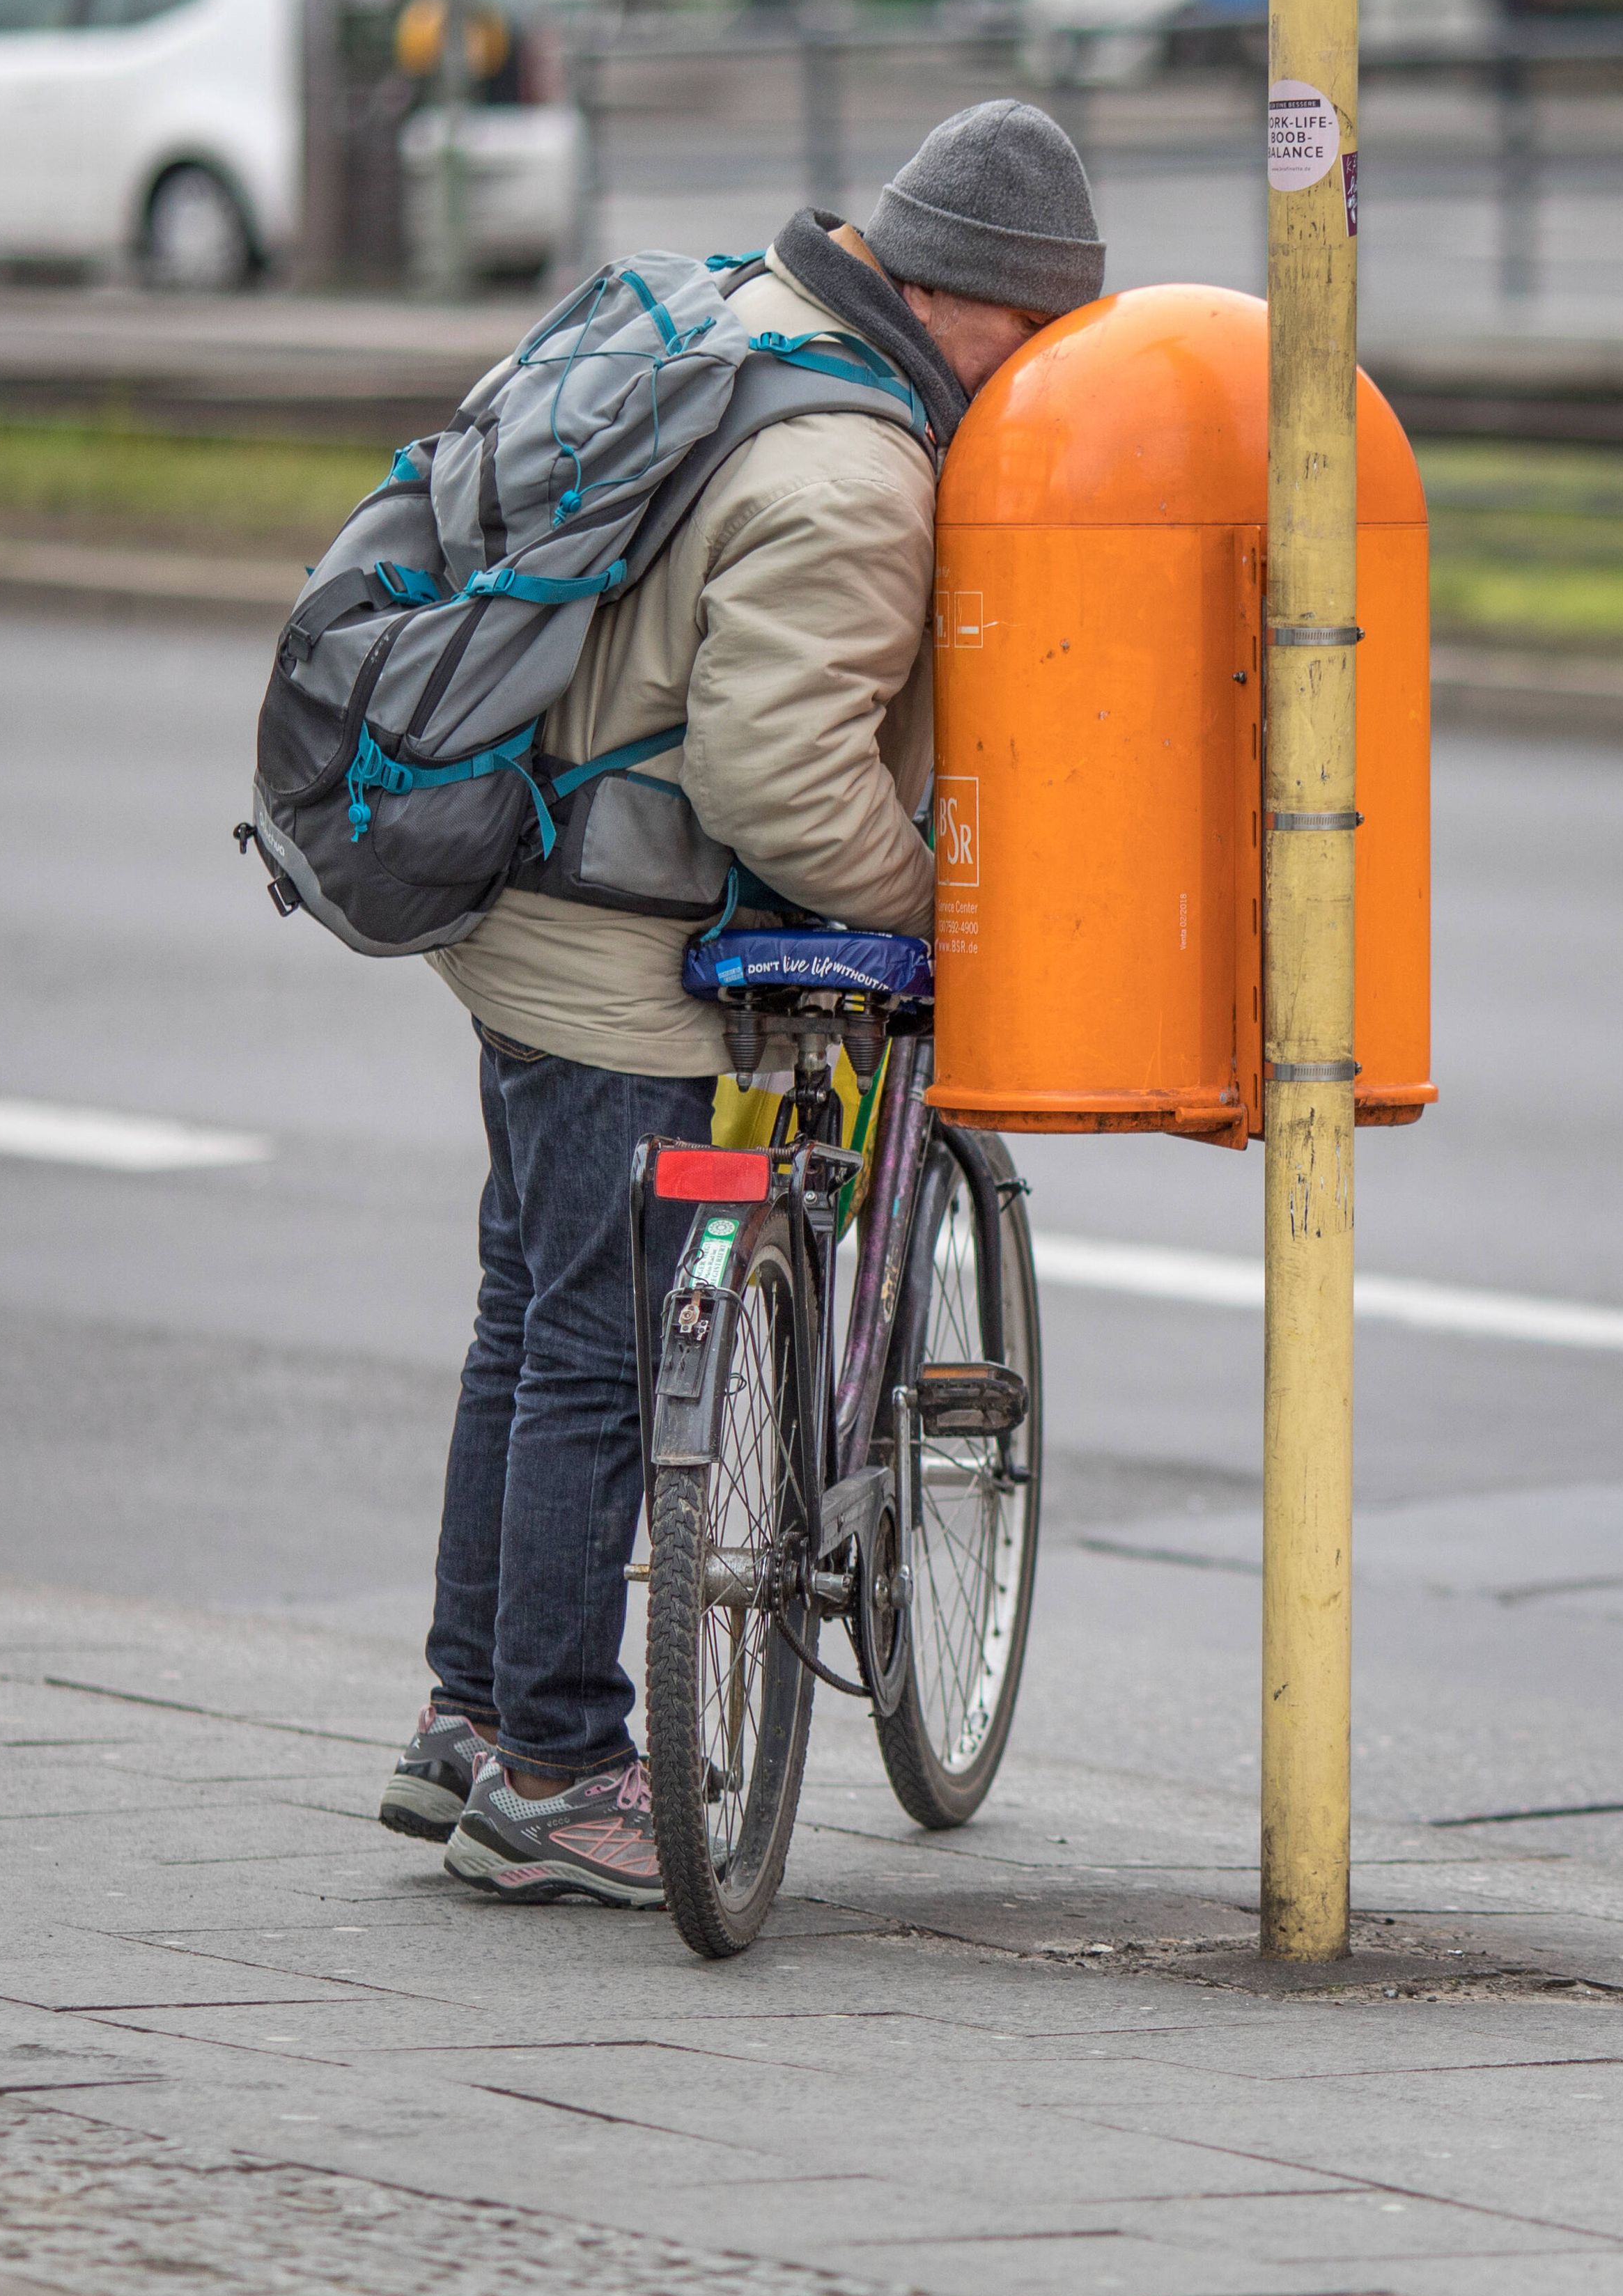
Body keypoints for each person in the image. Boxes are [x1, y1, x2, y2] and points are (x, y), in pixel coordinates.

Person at [376, 102, 1112, 1909]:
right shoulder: (861, 474)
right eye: (1043, 344)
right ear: (974, 306)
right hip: (627, 953)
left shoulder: (729, 322)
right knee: (597, 1360)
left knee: (531, 1322)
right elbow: (779, 782)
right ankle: (557, 1765)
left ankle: (468, 1718)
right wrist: (942, 907)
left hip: (524, 906)